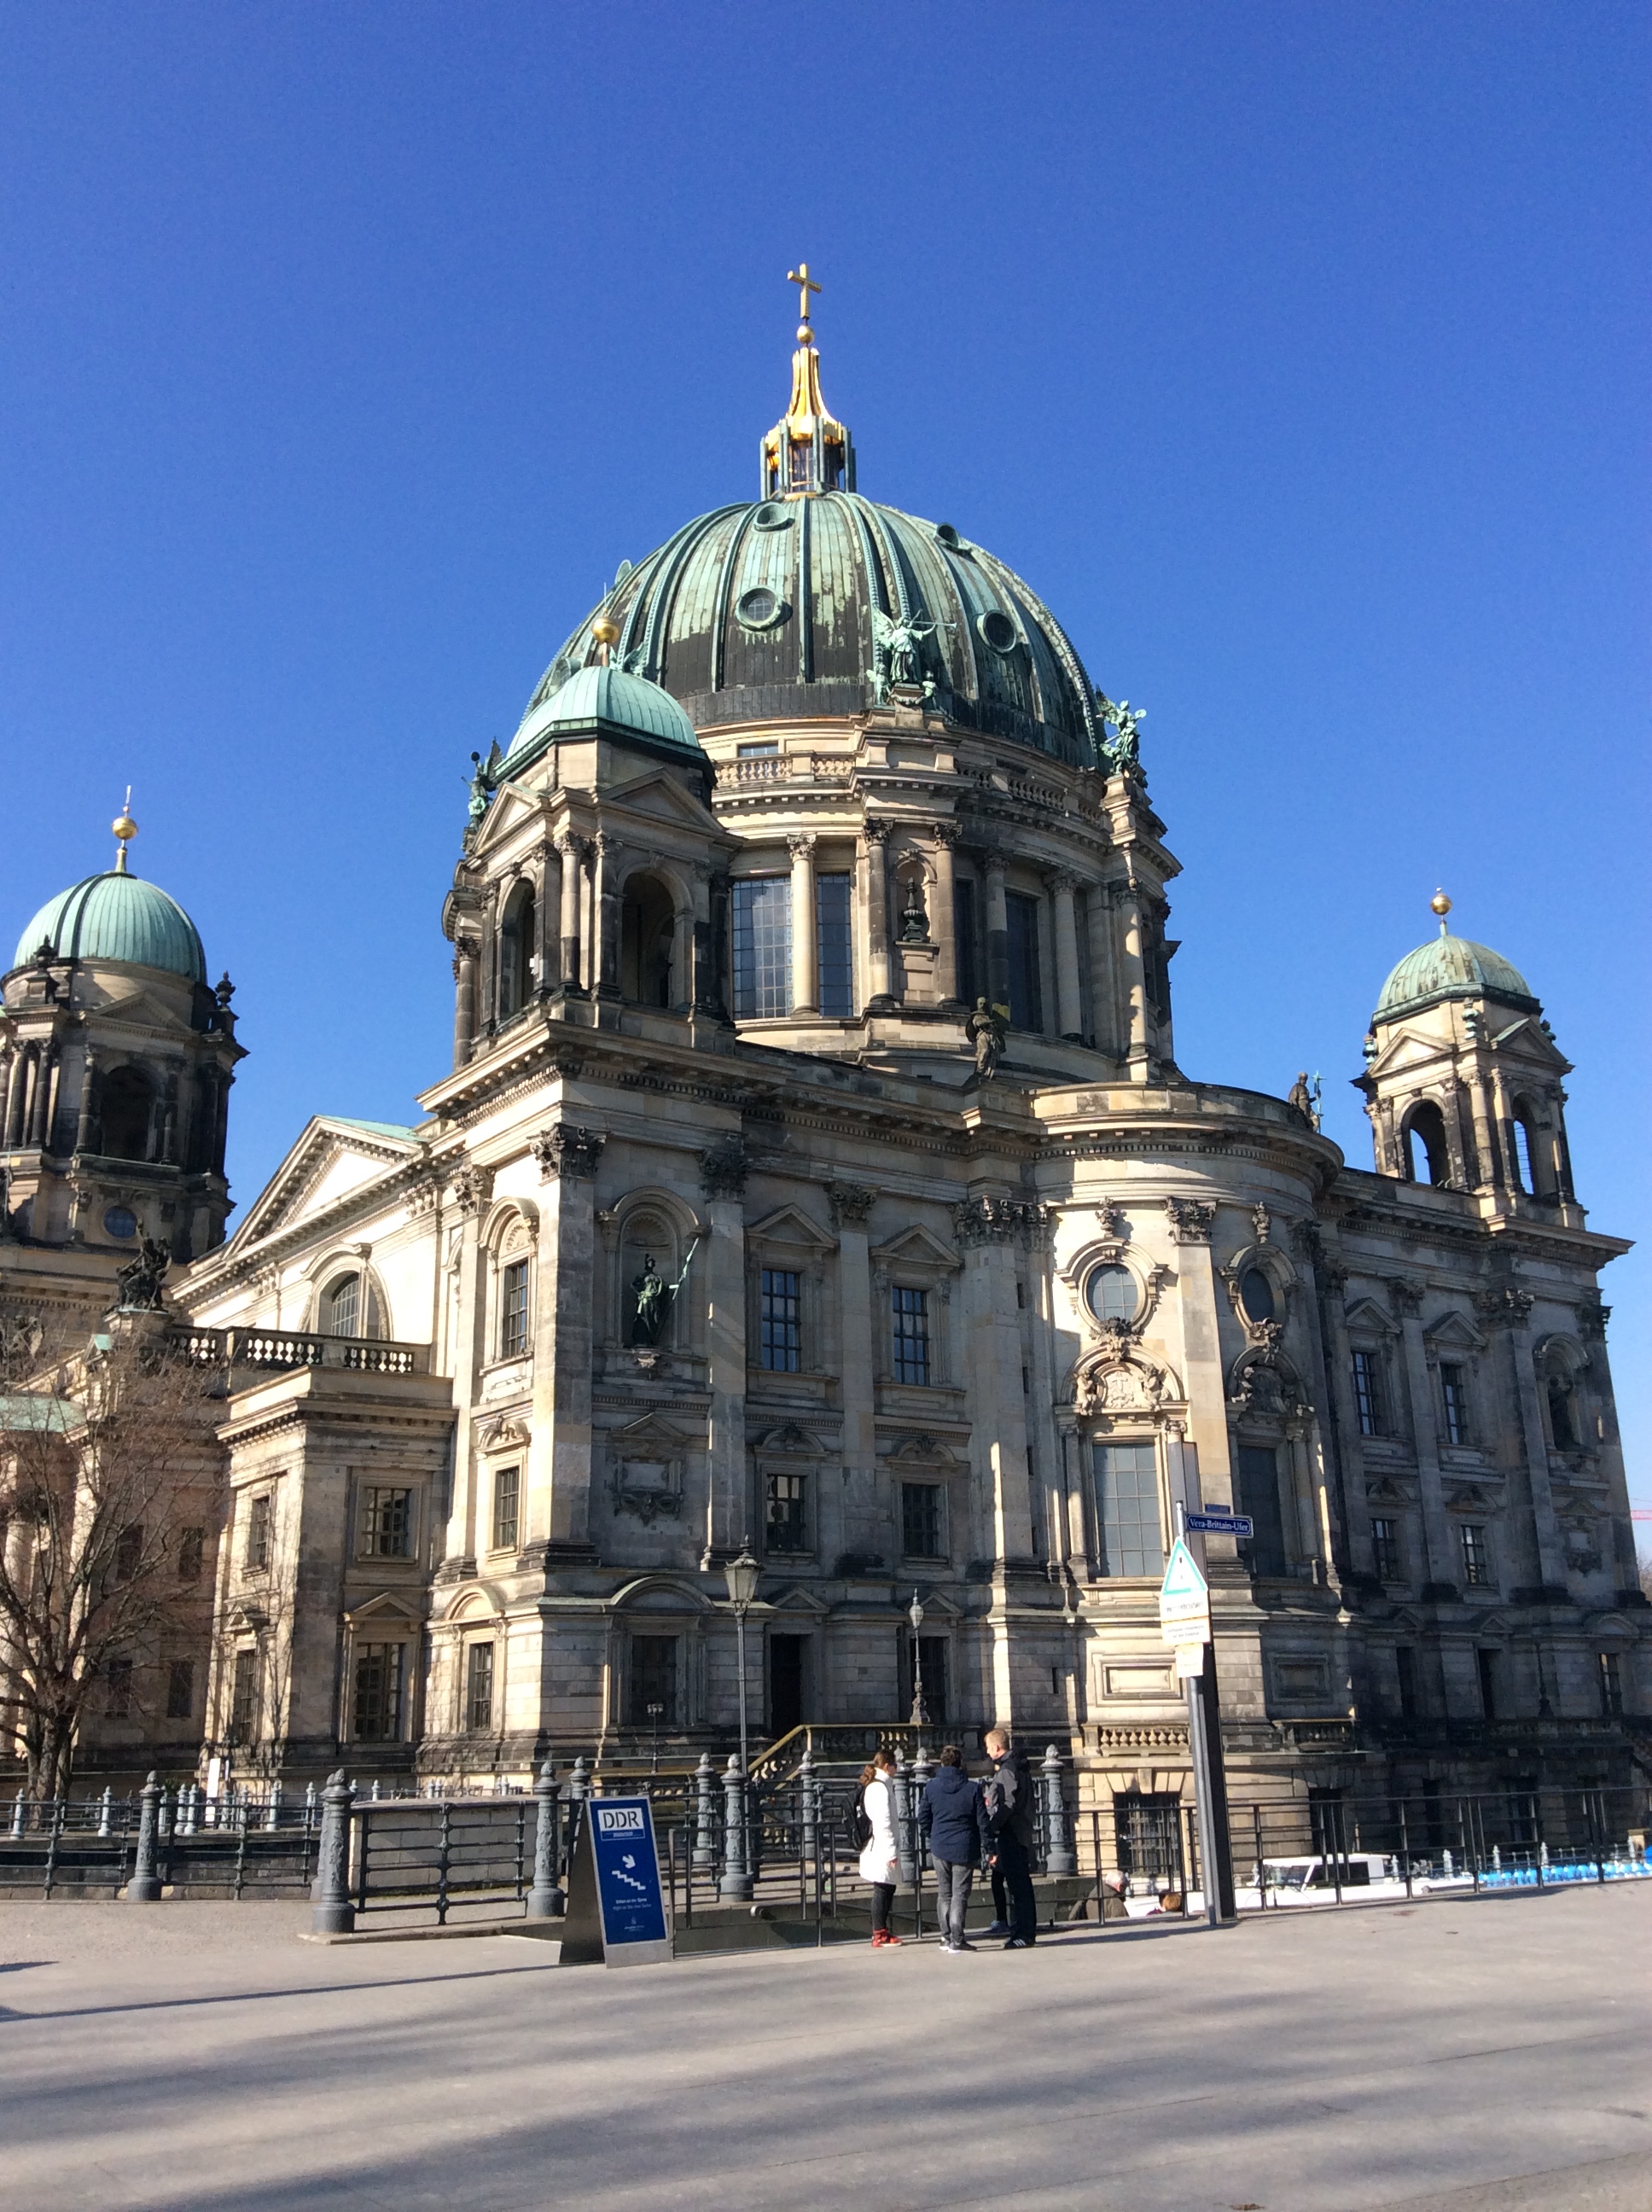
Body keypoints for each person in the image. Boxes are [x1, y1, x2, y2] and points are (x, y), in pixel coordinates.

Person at [918, 1744, 989, 1953]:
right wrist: (990, 1847)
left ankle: (945, 1936)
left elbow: (923, 1818)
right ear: (960, 1764)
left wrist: (933, 1835)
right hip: (964, 1846)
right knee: (959, 1894)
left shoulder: (931, 1787)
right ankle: (957, 1939)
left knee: (944, 1893)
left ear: (941, 1763)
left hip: (939, 1845)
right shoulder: (972, 1788)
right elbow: (982, 1822)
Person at [982, 1726, 1038, 1948]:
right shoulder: (1020, 1766)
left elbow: (1008, 1804)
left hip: (1012, 1832)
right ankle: (1024, 1931)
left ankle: (1023, 1933)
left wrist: (993, 1826)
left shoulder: (1007, 1770)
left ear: (997, 1747)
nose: (987, 1752)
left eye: (988, 1748)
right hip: (1022, 1830)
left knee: (1018, 1887)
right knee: (1022, 1885)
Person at [856, 1749, 902, 1948]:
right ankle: (879, 1933)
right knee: (883, 1887)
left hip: (880, 1843)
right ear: (887, 1766)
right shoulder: (880, 1788)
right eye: (895, 1765)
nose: (897, 1769)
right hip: (881, 1845)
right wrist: (891, 1851)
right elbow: (883, 1822)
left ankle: (881, 1930)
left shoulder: (879, 1785)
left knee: (887, 1886)